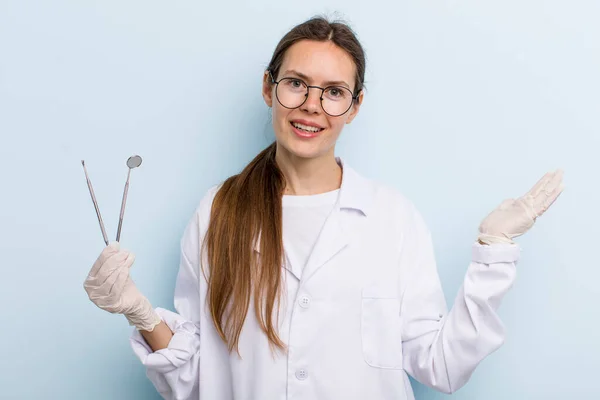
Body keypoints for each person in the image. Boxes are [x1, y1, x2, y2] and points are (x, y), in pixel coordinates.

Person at [83, 16, 564, 400]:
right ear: (269, 88)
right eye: (296, 84)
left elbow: (441, 366)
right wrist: (141, 314)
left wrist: (493, 253)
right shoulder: (218, 212)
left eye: (333, 92)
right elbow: (194, 384)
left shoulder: (391, 217)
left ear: (354, 107)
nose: (312, 106)